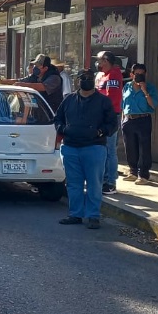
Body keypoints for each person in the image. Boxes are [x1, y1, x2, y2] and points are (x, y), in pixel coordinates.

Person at [55, 69, 119, 229]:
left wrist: (100, 131)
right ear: (78, 81)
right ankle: (75, 214)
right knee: (73, 184)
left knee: (94, 184)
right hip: (70, 148)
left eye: (89, 77)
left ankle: (93, 216)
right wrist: (63, 129)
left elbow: (112, 124)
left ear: (93, 81)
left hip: (94, 148)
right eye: (83, 78)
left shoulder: (104, 101)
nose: (85, 80)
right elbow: (58, 118)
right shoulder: (68, 100)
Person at [121, 63, 158, 185]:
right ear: (131, 74)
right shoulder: (127, 86)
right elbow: (123, 103)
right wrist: (123, 119)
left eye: (142, 74)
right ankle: (133, 171)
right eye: (137, 74)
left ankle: (143, 174)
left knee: (144, 147)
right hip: (129, 119)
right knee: (130, 147)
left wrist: (144, 90)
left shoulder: (150, 87)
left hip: (143, 118)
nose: (139, 76)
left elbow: (153, 104)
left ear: (145, 74)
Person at [94, 51, 124, 195]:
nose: (98, 64)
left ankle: (110, 182)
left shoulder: (114, 75)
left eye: (100, 61)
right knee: (102, 149)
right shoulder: (103, 75)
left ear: (106, 61)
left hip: (110, 116)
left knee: (110, 150)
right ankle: (104, 179)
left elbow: (111, 98)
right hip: (100, 115)